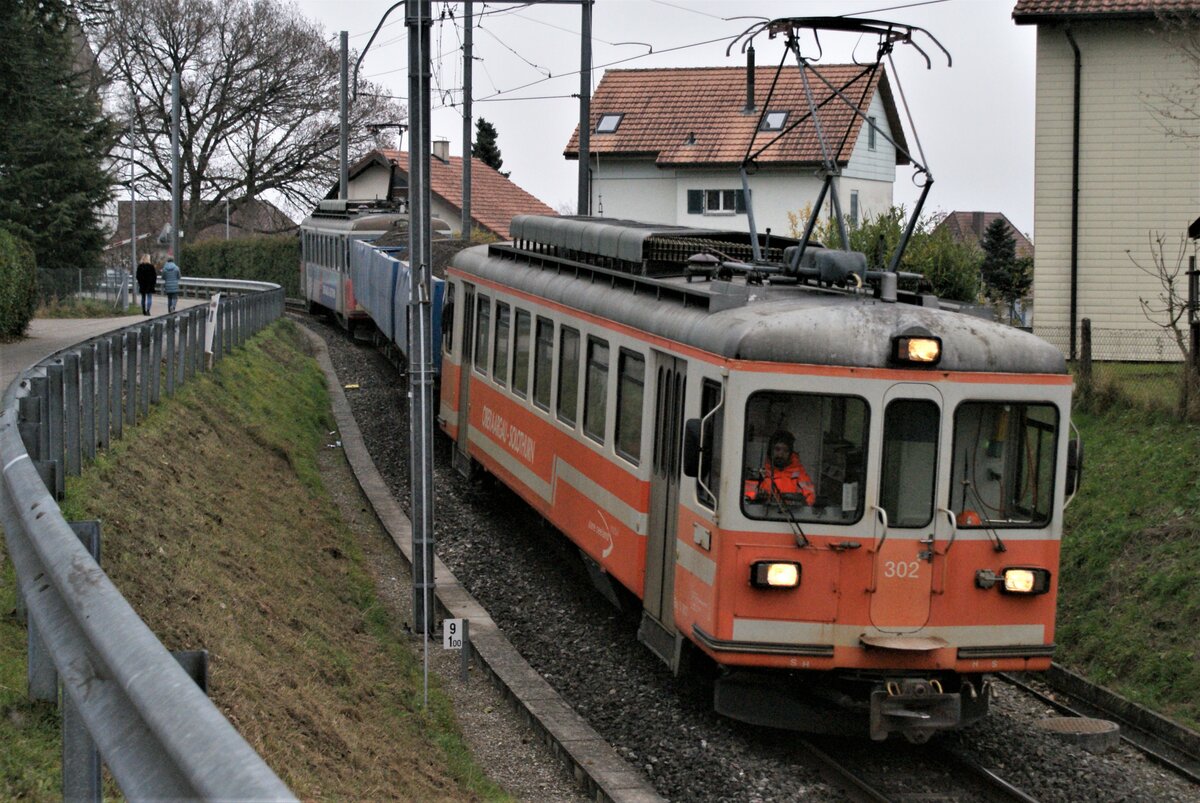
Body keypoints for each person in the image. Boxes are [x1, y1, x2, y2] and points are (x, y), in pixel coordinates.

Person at [749, 430, 816, 506]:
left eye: (785, 451)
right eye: (777, 449)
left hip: (792, 516)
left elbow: (810, 499)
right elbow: (747, 499)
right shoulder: (760, 472)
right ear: (770, 450)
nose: (780, 455)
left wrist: (800, 503)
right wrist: (758, 498)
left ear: (790, 454)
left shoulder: (800, 474)